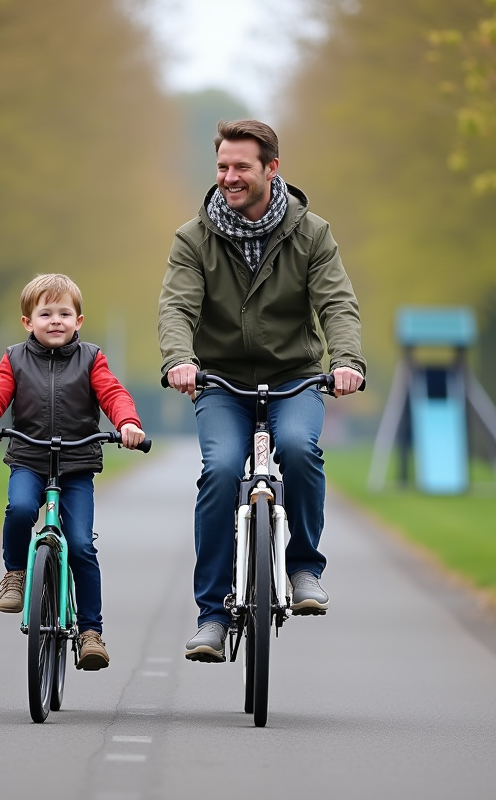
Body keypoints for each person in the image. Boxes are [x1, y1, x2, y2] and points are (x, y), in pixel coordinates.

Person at [158, 119, 366, 662]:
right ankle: (211, 613)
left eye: (241, 167)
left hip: (294, 377)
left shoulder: (312, 234)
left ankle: (302, 567)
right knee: (221, 470)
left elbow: (337, 304)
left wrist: (345, 361)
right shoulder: (193, 238)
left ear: (272, 169)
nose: (229, 176)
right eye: (222, 167)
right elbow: (177, 307)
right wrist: (179, 359)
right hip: (222, 381)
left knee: (299, 449)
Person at [0, 273, 146, 670]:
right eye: (45, 313)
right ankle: (15, 573)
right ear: (27, 322)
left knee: (81, 544)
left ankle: (90, 633)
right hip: (29, 459)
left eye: (64, 313)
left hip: (77, 463)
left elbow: (112, 393)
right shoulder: (14, 358)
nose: (55, 321)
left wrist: (128, 423)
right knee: (19, 509)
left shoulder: (91, 358)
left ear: (78, 321)